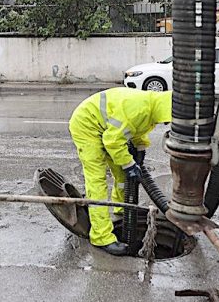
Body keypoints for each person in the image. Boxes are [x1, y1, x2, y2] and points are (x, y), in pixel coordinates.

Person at [68, 88, 172, 256]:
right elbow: (113, 141)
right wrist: (129, 163)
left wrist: (140, 147)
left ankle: (121, 208)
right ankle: (101, 237)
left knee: (123, 176)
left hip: (106, 130)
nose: (166, 123)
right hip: (87, 126)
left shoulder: (152, 109)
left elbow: (136, 130)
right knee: (97, 180)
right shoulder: (139, 110)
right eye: (167, 121)